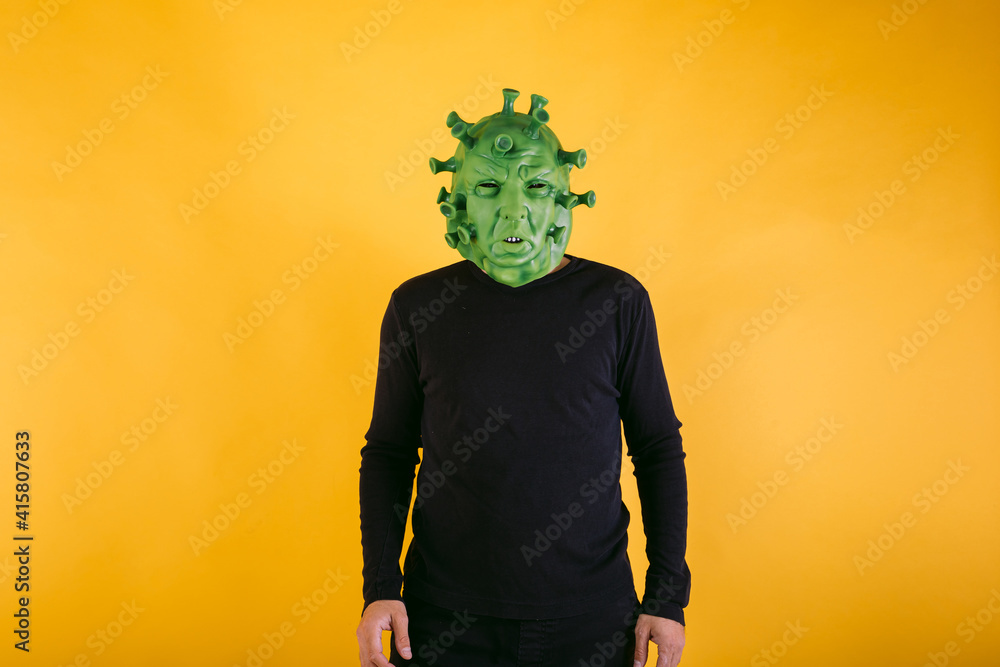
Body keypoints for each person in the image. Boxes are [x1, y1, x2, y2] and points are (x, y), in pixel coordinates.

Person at [357, 89, 690, 667]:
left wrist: (666, 597)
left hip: (593, 618)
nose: (514, 210)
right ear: (459, 201)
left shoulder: (617, 301)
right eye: (489, 186)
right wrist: (380, 587)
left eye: (535, 185)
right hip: (446, 619)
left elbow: (657, 448)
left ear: (563, 194)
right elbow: (389, 452)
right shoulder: (418, 305)